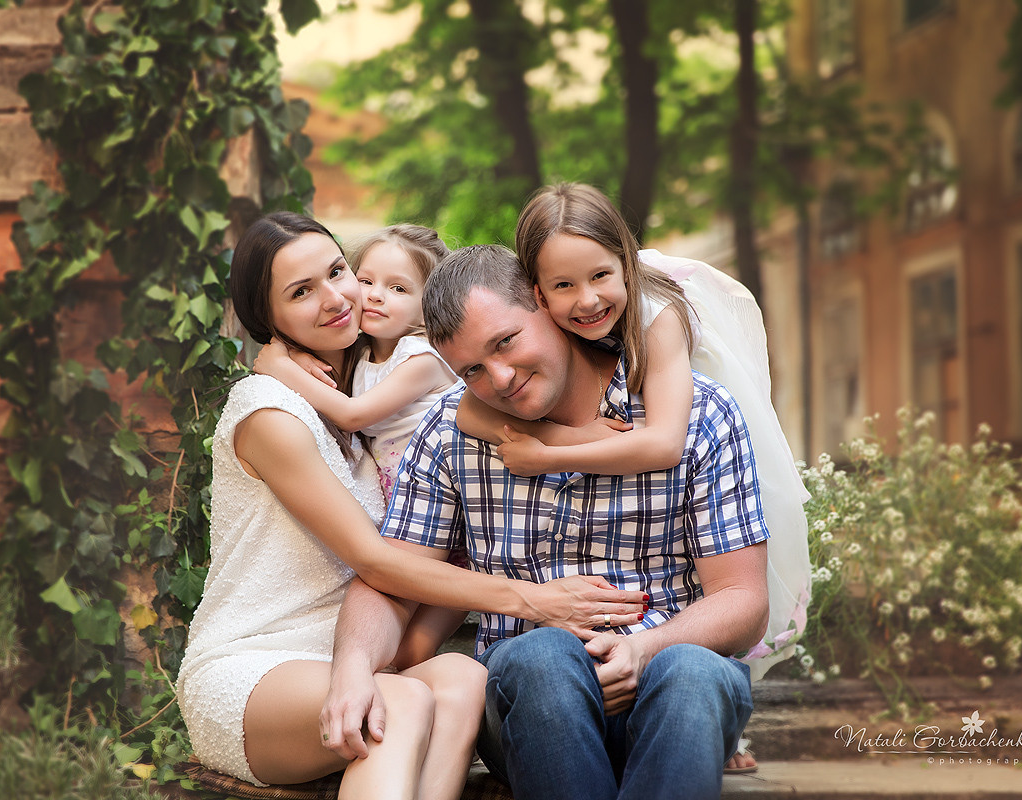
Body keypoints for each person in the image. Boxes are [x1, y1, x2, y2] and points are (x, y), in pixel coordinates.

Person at [175, 214, 647, 800]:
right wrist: (534, 600)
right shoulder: (268, 411)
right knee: (397, 700)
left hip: (350, 659)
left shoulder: (369, 409)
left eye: (337, 272)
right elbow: (374, 559)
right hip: (255, 668)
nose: (337, 298)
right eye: (301, 292)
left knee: (462, 678)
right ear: (267, 319)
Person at [320, 244, 771, 800]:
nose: (501, 378)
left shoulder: (694, 415)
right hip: (525, 709)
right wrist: (353, 666)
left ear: (543, 302)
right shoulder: (447, 433)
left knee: (691, 673)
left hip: (675, 697)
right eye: (473, 371)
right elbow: (391, 577)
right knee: (544, 654)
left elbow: (744, 600)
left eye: (505, 342)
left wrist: (643, 650)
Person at [458, 183, 814, 770]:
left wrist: (553, 452)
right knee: (544, 658)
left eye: (600, 276)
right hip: (536, 685)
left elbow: (664, 443)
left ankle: (708, 716)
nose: (588, 300)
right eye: (563, 286)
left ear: (625, 261)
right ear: (536, 295)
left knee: (692, 673)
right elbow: (465, 411)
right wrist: (562, 433)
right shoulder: (505, 380)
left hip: (667, 651)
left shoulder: (660, 322)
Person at [251, 223, 472, 667]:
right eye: (366, 280)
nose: (373, 295)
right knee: (401, 651)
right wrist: (296, 355)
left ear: (431, 306)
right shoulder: (367, 355)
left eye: (397, 288)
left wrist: (278, 365)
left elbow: (352, 415)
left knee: (417, 648)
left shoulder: (423, 357)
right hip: (409, 524)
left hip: (456, 519)